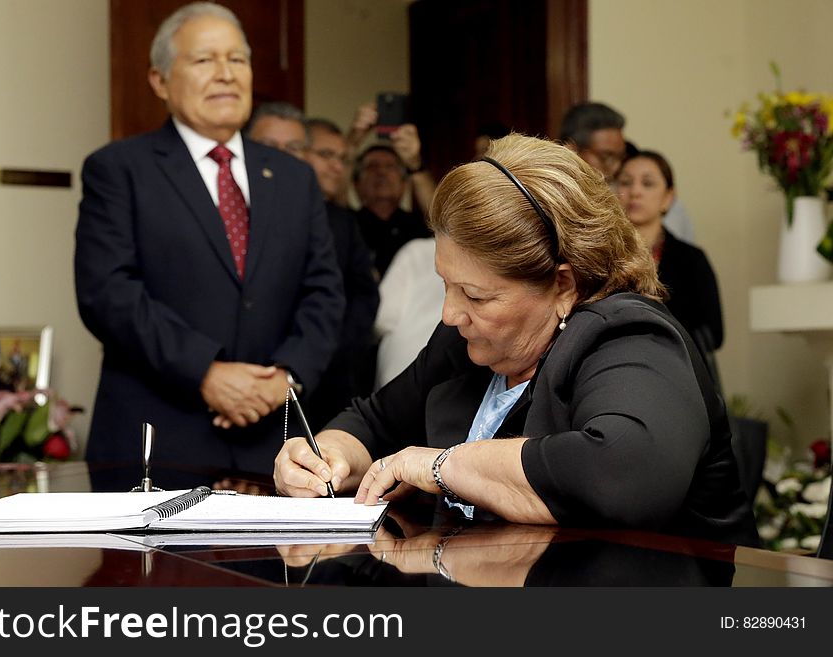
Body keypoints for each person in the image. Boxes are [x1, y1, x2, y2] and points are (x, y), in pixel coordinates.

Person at [274, 134, 758, 546]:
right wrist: (326, 457)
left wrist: (443, 467)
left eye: (477, 295)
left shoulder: (632, 338)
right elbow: (373, 421)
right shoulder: (466, 341)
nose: (450, 313)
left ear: (563, 286)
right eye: (446, 284)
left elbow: (619, 473)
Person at [75, 2, 344, 486]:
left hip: (274, 444)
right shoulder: (119, 170)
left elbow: (324, 292)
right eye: (204, 60)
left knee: (274, 566)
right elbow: (107, 292)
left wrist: (286, 376)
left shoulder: (293, 178)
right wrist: (206, 372)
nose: (225, 74)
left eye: (237, 60)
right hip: (156, 443)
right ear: (159, 80)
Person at [247, 105, 379, 427]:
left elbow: (361, 296)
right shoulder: (227, 213)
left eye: (292, 148)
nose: (279, 157)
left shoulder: (339, 222)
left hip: (322, 385)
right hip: (240, 384)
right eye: (267, 146)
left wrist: (322, 350)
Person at [616, 150, 724, 351]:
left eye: (647, 184)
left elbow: (714, 333)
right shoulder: (601, 255)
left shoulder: (691, 259)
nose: (635, 192)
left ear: (668, 197)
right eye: (625, 182)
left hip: (677, 369)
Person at [559, 101, 696, 244]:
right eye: (606, 157)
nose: (616, 168)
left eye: (620, 157)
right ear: (571, 150)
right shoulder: (547, 197)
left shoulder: (624, 198)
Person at [373, 236, 444, 389]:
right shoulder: (479, 257)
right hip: (447, 373)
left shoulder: (415, 252)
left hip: (400, 367)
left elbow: (383, 319)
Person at [351, 144, 433, 278]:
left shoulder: (419, 226)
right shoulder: (346, 225)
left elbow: (444, 222)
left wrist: (414, 164)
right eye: (372, 167)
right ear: (356, 184)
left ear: (404, 184)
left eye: (390, 167)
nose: (381, 173)